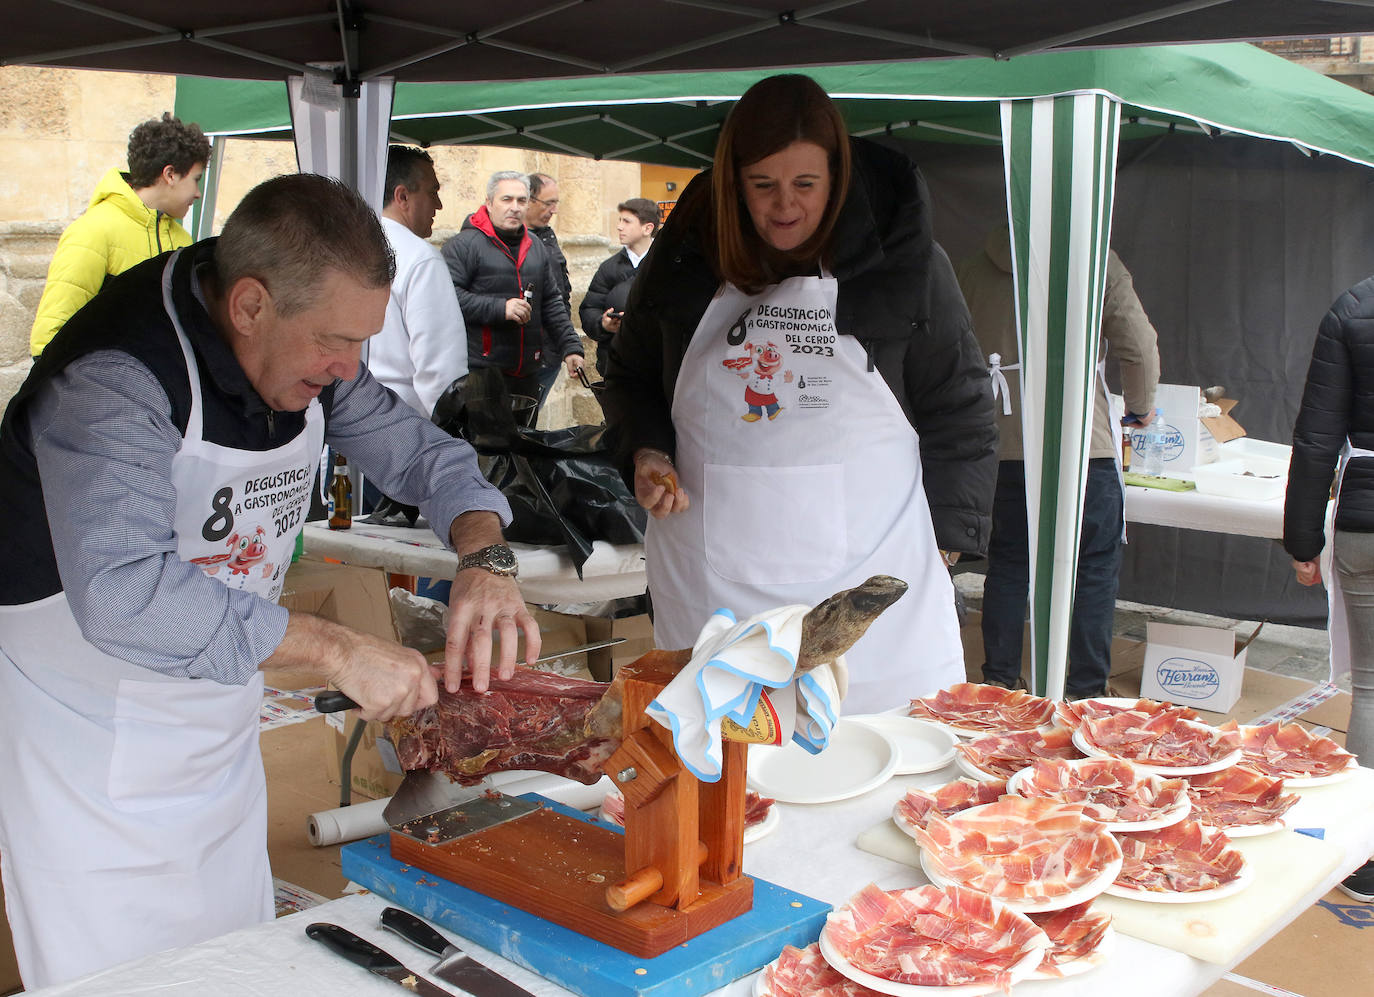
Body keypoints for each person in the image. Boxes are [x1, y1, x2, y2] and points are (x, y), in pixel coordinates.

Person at [0, 173, 540, 988]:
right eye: (336, 342)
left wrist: (484, 557)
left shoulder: (306, 351)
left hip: (217, 733)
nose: (351, 367)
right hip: (90, 749)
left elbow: (426, 457)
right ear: (250, 305)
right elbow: (125, 594)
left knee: (238, 966)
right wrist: (333, 647)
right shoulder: (115, 380)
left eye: (364, 342)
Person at [601, 74, 997, 715]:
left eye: (805, 185)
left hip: (871, 585)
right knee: (731, 775)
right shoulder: (684, 262)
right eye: (763, 186)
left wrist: (949, 538)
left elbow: (961, 404)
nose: (785, 206)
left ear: (837, 179)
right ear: (734, 184)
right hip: (713, 590)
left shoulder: (905, 265)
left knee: (884, 771)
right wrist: (646, 450)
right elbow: (631, 379)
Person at [958, 226, 1159, 699]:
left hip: (1003, 441)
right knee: (1092, 566)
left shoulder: (970, 270)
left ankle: (1000, 682)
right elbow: (1137, 344)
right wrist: (1141, 406)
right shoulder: (1094, 259)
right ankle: (1086, 689)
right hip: (1083, 444)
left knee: (1008, 563)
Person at [1284, 275, 1374, 904]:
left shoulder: (1354, 306)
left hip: (1365, 520)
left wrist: (1302, 536)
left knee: (1372, 684)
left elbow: (1317, 436)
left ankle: (1366, 850)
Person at [29, 112, 211, 356]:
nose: (198, 193)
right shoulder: (92, 230)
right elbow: (49, 340)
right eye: (196, 179)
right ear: (170, 175)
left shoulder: (182, 239)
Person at [442, 171, 584, 419]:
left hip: (526, 373)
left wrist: (571, 347)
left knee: (523, 448)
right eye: (506, 200)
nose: (515, 208)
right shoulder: (463, 245)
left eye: (521, 200)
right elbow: (446, 298)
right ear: (489, 202)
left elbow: (551, 302)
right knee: (485, 452)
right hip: (480, 375)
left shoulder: (535, 246)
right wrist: (500, 308)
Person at [368, 145, 468, 418]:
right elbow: (441, 373)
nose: (439, 204)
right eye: (432, 192)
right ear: (402, 196)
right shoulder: (421, 259)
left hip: (352, 417)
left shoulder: (352, 244)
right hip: (404, 426)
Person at [581, 197, 660, 376]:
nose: (619, 227)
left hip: (656, 363)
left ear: (647, 228)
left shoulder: (665, 265)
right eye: (619, 220)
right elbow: (589, 308)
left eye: (627, 221)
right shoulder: (608, 267)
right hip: (615, 363)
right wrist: (603, 324)